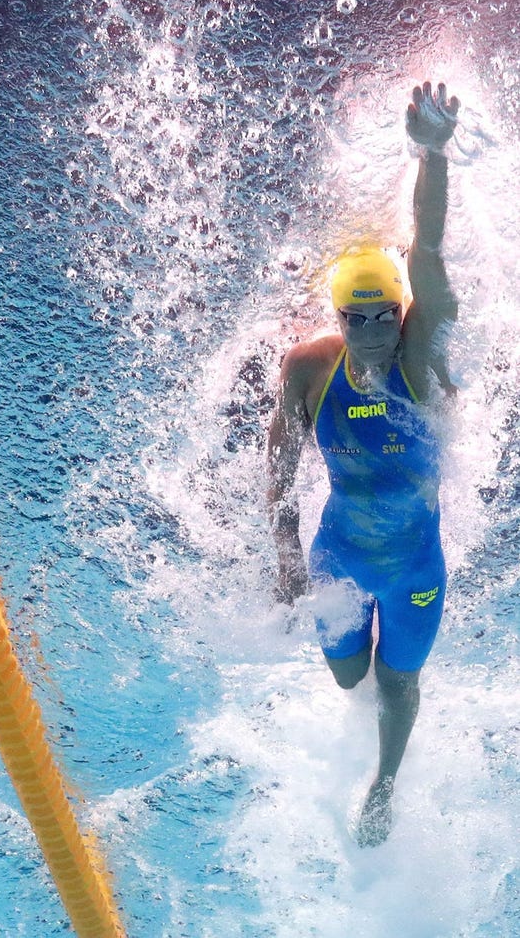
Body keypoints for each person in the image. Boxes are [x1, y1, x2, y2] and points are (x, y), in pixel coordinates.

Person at [266, 81, 460, 847]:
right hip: (340, 557)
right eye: (360, 319)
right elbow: (277, 472)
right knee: (352, 680)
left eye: (387, 314)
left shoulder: (420, 350)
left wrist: (433, 152)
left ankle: (384, 782)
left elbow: (430, 245)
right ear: (337, 321)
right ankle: (365, 710)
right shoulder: (309, 370)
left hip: (415, 565)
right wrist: (284, 559)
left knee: (397, 681)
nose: (378, 331)